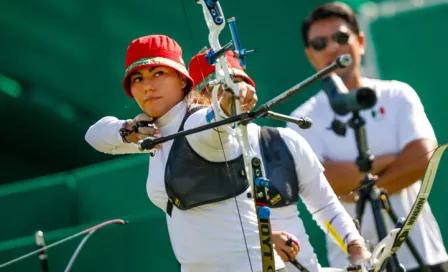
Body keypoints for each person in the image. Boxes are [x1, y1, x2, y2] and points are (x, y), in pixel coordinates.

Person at [85, 34, 293, 272]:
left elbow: (216, 122)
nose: (148, 86)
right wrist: (129, 131)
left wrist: (232, 100)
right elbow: (94, 136)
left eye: (158, 73)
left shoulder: (196, 122)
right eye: (138, 78)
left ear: (183, 80)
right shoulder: (151, 132)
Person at [287, 2, 448, 272]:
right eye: (319, 43)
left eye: (341, 38)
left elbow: (423, 159)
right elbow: (329, 185)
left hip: (424, 255)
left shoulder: (398, 94)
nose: (332, 48)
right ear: (309, 55)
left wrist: (363, 186)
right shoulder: (301, 120)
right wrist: (391, 161)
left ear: (360, 42)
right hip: (356, 265)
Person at [188, 49, 371, 271]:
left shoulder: (285, 141)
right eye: (213, 89)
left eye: (235, 83)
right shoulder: (189, 158)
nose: (230, 95)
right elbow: (200, 232)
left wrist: (355, 247)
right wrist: (265, 239)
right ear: (197, 101)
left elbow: (325, 206)